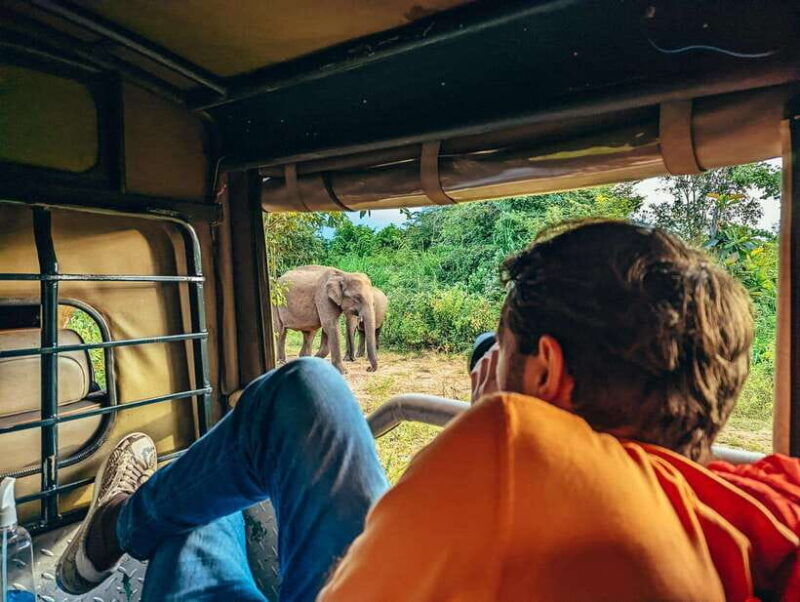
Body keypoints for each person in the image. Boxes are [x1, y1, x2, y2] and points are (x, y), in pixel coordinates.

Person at [57, 219, 800, 601]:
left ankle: (124, 524)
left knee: (206, 504)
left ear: (547, 371)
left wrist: (498, 416)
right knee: (305, 391)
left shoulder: (513, 454)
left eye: (502, 351)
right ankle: (146, 510)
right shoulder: (774, 499)